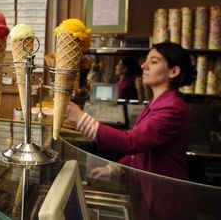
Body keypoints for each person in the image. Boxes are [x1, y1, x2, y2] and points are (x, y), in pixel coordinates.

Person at [65, 42, 194, 219]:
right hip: (148, 196)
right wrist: (113, 169)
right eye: (146, 60)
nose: (144, 65)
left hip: (166, 202)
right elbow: (140, 152)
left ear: (174, 71)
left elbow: (130, 142)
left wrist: (81, 118)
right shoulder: (157, 103)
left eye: (154, 61)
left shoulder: (173, 108)